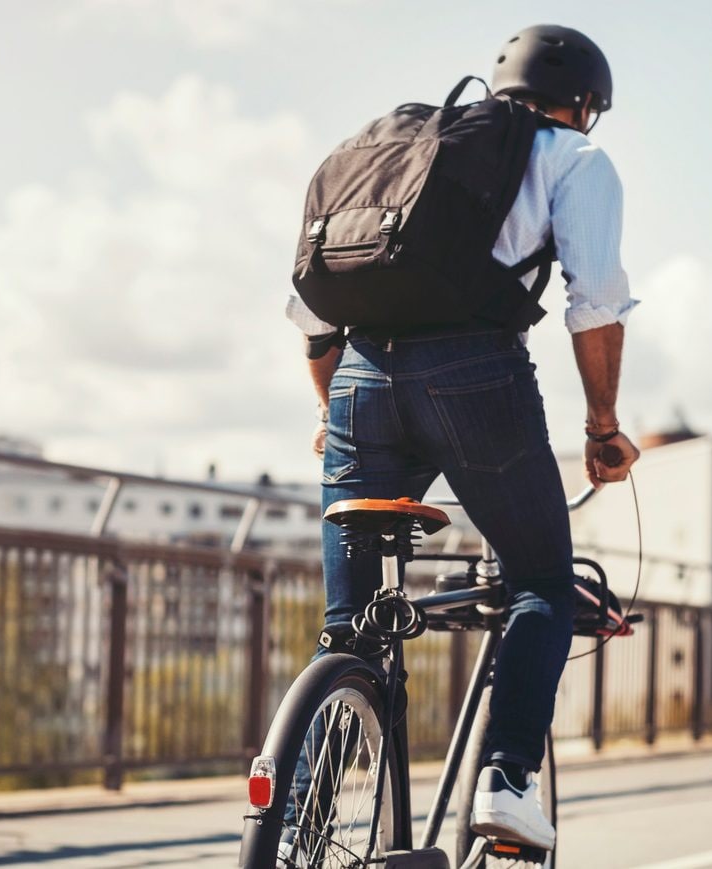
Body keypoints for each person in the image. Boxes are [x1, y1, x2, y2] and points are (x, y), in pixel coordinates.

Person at [285, 24, 640, 850]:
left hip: (359, 380)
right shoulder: (574, 158)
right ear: (581, 104)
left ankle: (297, 823)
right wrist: (602, 428)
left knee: (349, 626)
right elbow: (593, 301)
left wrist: (331, 413)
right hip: (475, 378)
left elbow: (312, 318)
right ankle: (506, 780)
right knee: (541, 582)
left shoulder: (399, 151)